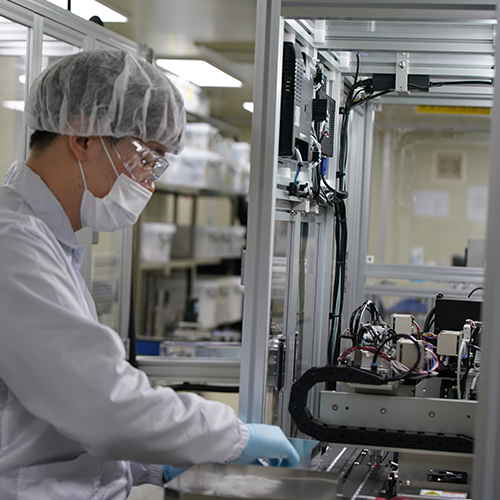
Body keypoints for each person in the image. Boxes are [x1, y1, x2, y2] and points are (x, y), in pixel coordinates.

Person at [0, 49, 299, 499]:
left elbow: (55, 418)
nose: (150, 181)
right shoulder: (13, 244)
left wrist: (156, 464)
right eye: (146, 156)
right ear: (83, 136)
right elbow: (101, 405)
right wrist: (234, 437)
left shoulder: (48, 241)